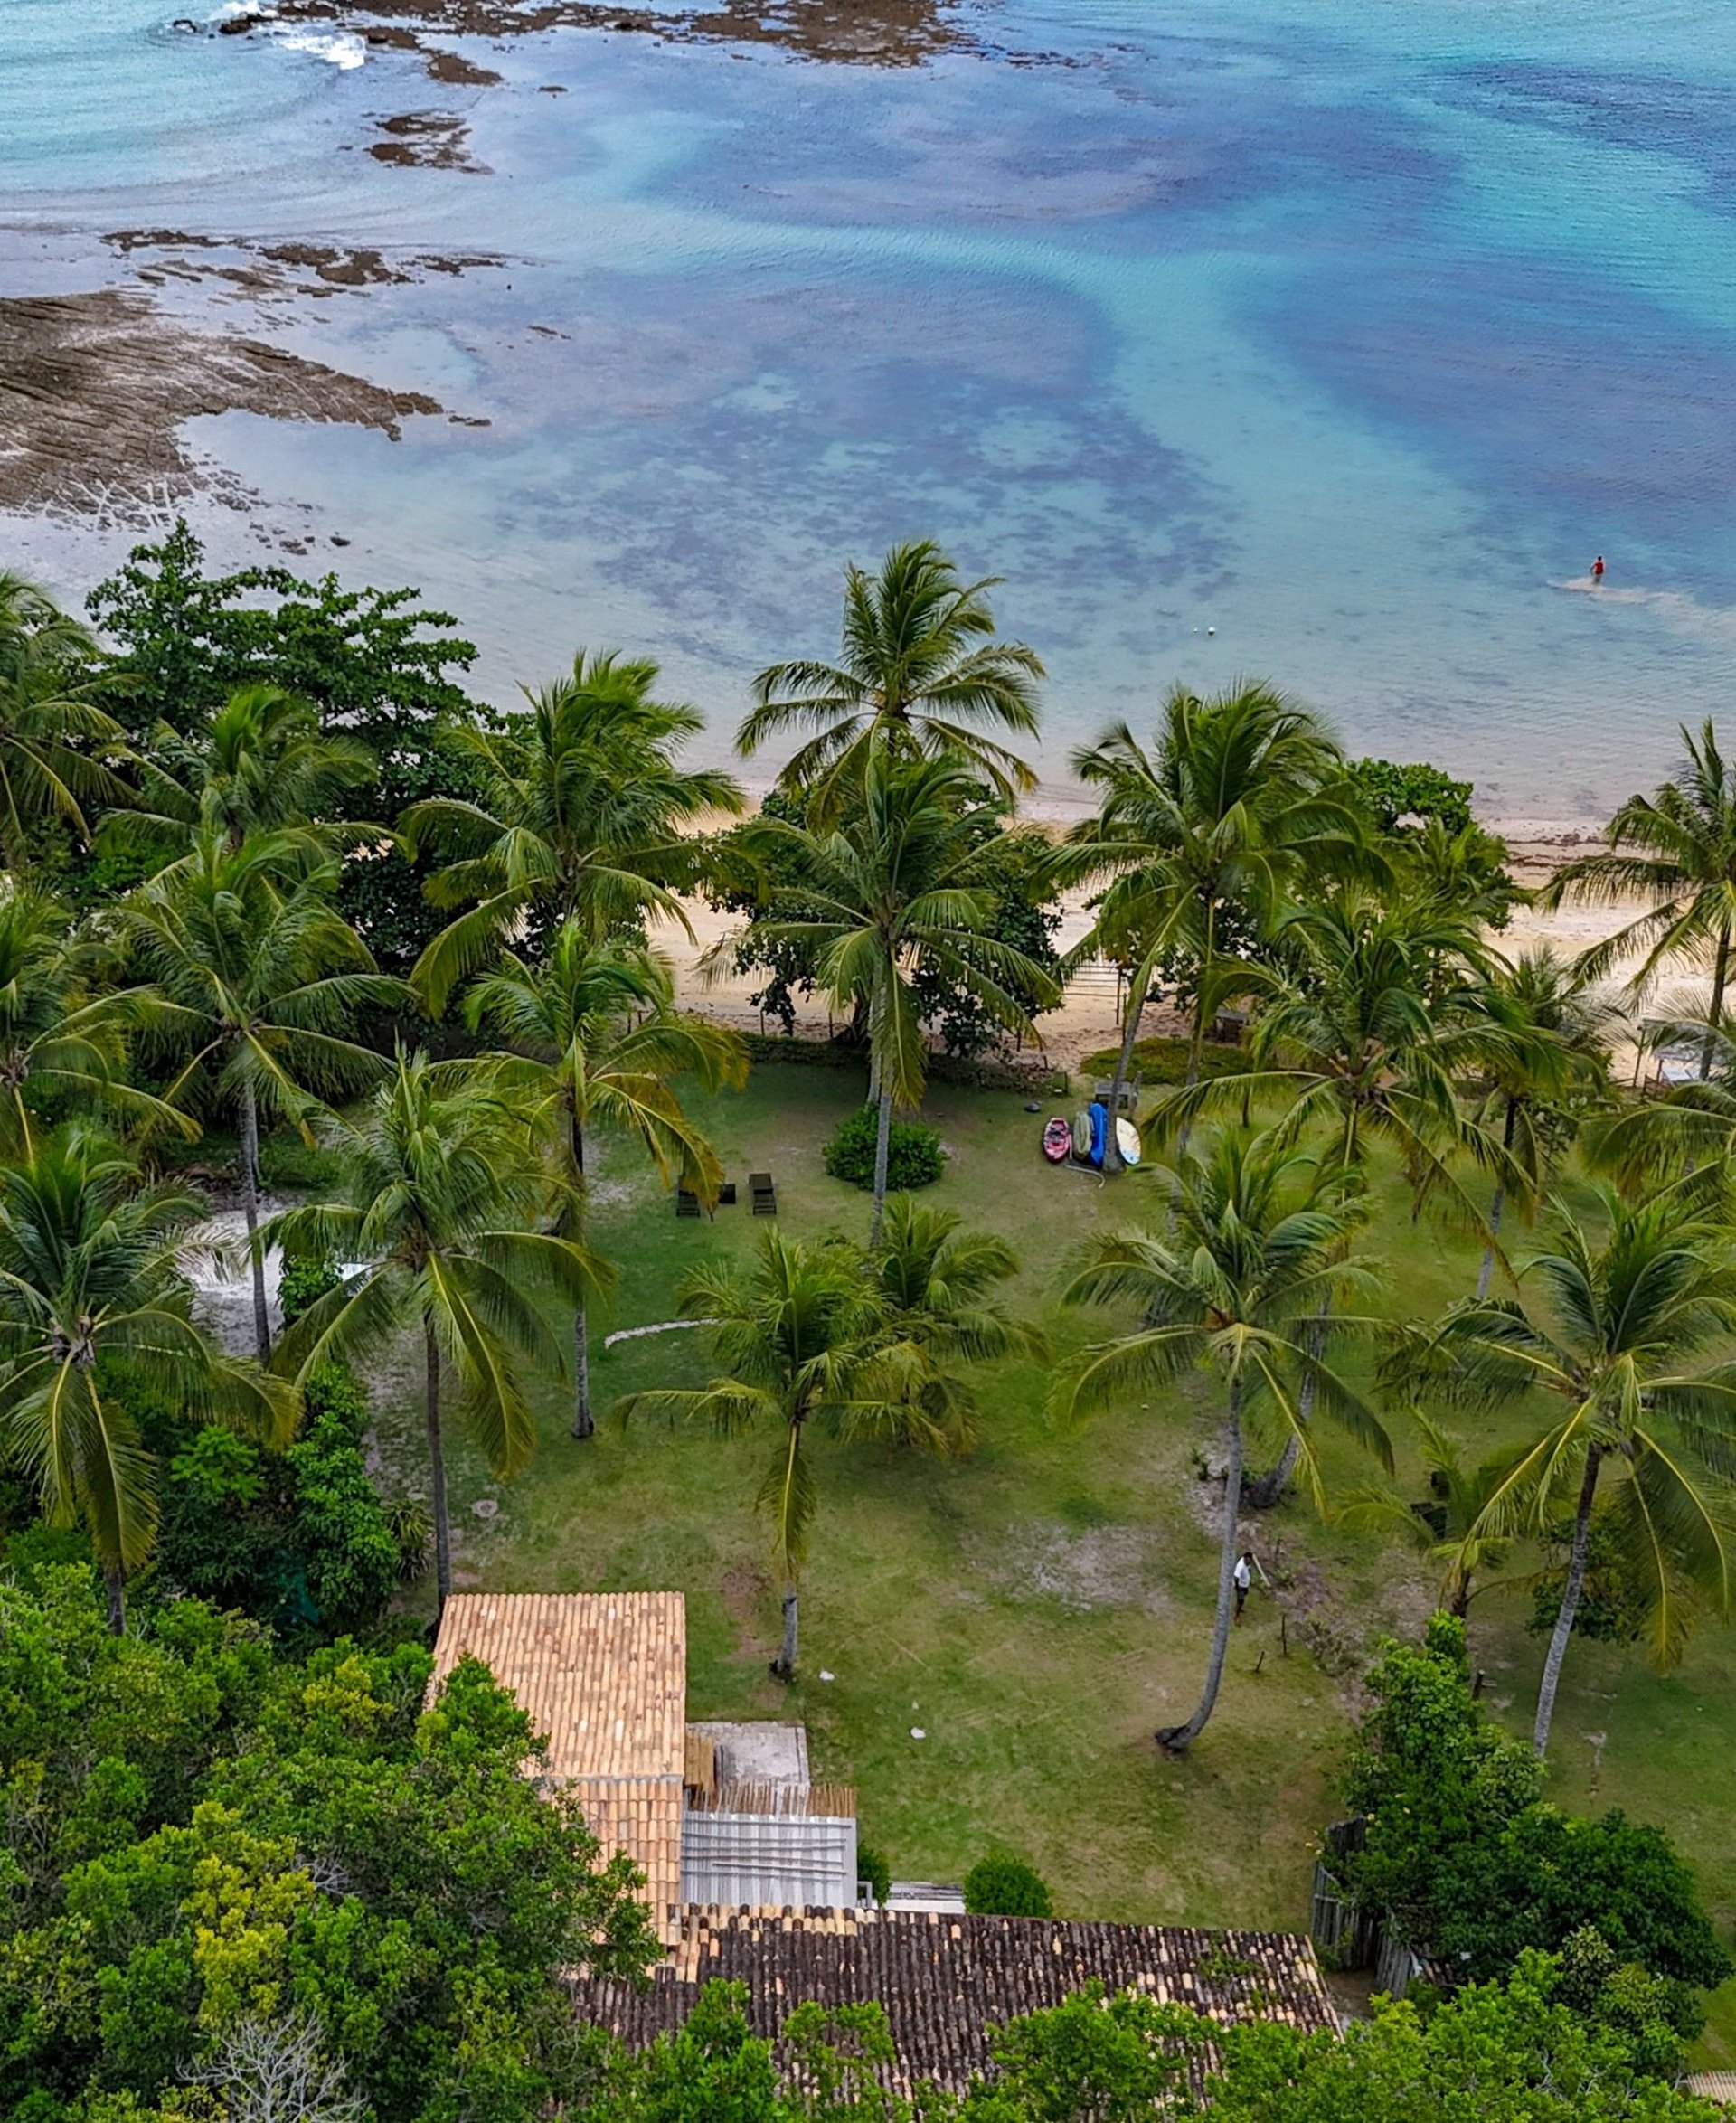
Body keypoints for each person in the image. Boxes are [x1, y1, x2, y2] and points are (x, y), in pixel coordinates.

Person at [1233, 1550, 1254, 1622]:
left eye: (1250, 1560)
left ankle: (1238, 1608)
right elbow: (1236, 1578)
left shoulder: (1247, 1564)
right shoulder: (1240, 1566)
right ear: (1244, 1558)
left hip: (1245, 1585)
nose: (1249, 1562)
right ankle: (1236, 1616)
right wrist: (1237, 1589)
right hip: (1240, 1585)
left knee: (1242, 1599)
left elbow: (1248, 1569)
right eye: (1248, 1560)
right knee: (1241, 1600)